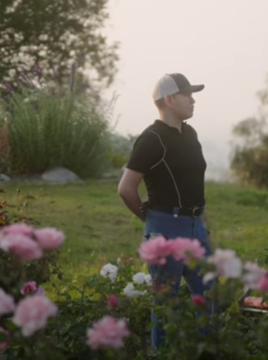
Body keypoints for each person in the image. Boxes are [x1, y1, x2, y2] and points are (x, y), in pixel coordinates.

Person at [117, 72, 214, 350]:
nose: (193, 100)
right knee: (165, 307)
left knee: (209, 298)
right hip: (166, 228)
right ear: (169, 100)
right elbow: (126, 188)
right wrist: (150, 219)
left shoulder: (190, 133)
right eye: (187, 95)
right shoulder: (151, 139)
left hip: (196, 226)